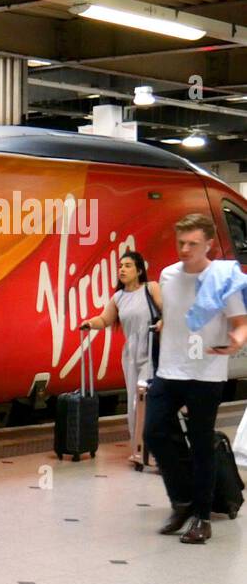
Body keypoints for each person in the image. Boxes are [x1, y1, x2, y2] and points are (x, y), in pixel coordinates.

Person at [142, 214, 247, 543]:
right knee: (155, 433)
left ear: (209, 245)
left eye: (192, 244)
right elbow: (173, 315)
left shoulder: (222, 278)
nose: (185, 249)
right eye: (181, 243)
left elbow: (240, 323)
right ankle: (183, 500)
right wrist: (164, 326)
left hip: (205, 374)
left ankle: (202, 517)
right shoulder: (168, 275)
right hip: (169, 370)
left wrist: (236, 341)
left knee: (201, 445)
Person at [80, 250, 162, 465]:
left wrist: (163, 323)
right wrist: (90, 323)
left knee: (147, 401)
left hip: (153, 350)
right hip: (131, 355)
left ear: (139, 270)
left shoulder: (151, 288)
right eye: (120, 266)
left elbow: (168, 312)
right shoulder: (118, 297)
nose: (122, 269)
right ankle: (139, 449)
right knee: (134, 403)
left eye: (127, 265)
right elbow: (105, 319)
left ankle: (154, 449)